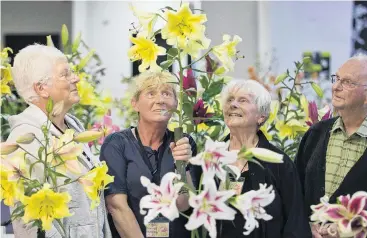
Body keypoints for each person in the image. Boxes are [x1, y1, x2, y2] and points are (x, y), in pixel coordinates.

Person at [6, 44, 111, 237]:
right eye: (65, 74)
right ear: (41, 88)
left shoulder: (73, 125)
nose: (76, 78)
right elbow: (27, 220)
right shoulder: (27, 137)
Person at [295, 54, 367, 237]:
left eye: (347, 82)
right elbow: (295, 194)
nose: (336, 87)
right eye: (336, 79)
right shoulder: (315, 134)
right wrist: (307, 228)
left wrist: (348, 231)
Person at [100, 71, 197, 238]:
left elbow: (183, 204)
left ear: (175, 104)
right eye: (151, 93)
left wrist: (183, 166)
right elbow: (116, 207)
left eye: (166, 93)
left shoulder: (183, 142)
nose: (160, 100)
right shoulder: (117, 144)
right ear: (135, 104)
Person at [215, 79, 312, 238]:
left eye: (243, 100)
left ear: (261, 116)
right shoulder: (211, 157)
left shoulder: (279, 163)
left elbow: (295, 223)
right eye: (230, 100)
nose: (233, 104)